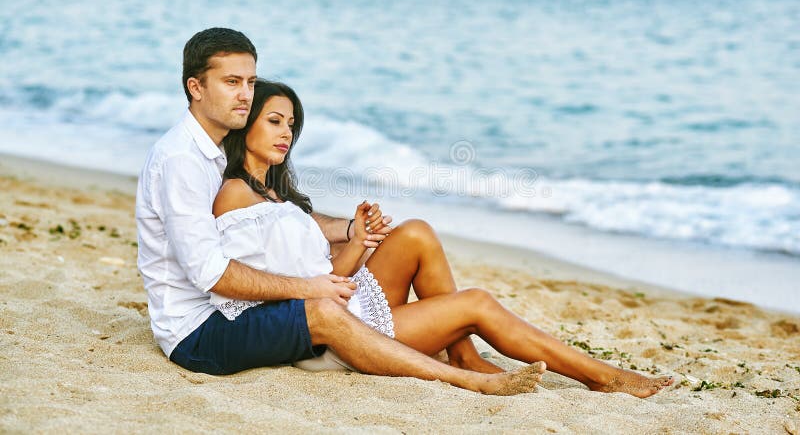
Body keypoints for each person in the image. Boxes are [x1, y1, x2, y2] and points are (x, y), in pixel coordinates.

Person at [135, 27, 545, 396]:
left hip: (228, 311)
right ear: (196, 87)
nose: (244, 94)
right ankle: (467, 379)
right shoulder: (182, 161)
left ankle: (461, 355)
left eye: (249, 82)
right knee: (322, 309)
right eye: (231, 82)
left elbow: (270, 216)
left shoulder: (216, 150)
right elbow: (212, 274)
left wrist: (347, 230)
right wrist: (310, 286)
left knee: (385, 254)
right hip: (199, 333)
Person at [212, 79, 675, 398]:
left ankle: (464, 353)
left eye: (291, 124)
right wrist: (353, 246)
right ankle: (603, 377)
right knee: (476, 303)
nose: (286, 133)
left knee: (415, 232)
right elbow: (299, 290)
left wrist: (358, 235)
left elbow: (316, 271)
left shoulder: (272, 192)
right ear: (246, 122)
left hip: (338, 303)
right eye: (274, 121)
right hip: (332, 337)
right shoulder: (236, 194)